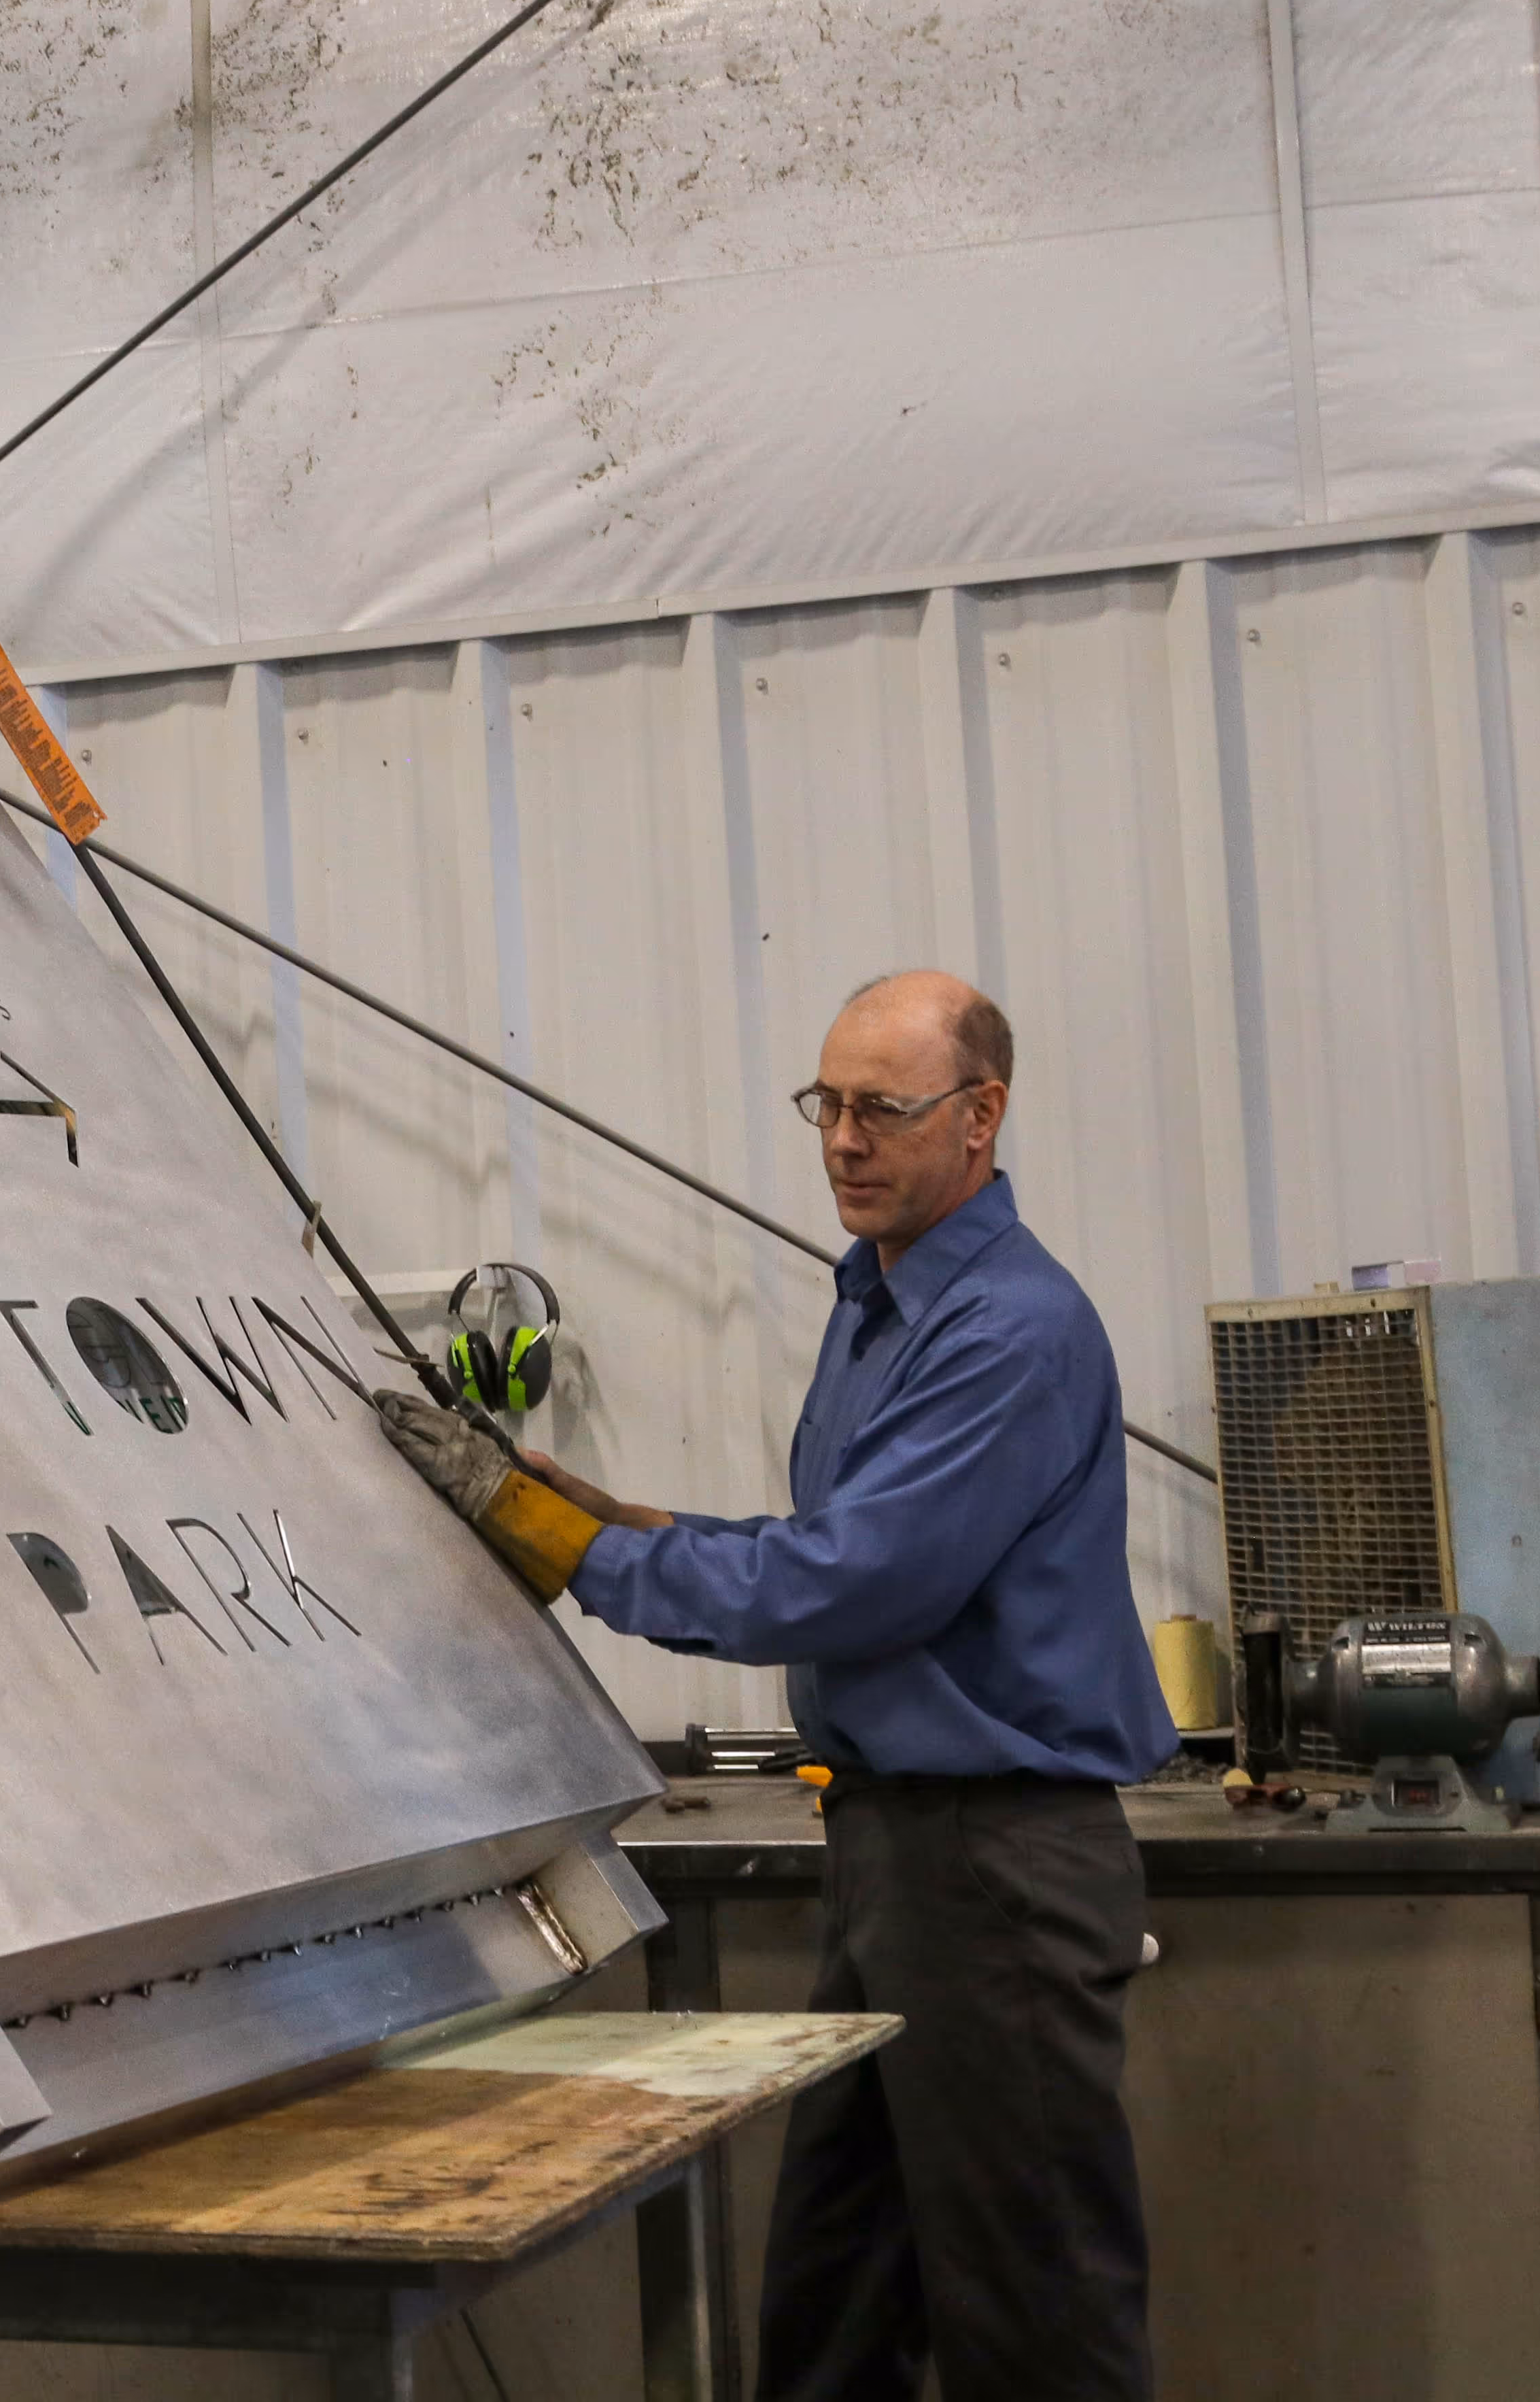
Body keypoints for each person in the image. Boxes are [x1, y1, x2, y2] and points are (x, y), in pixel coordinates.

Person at [379, 970, 1176, 2402]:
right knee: (836, 2298)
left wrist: (566, 1548)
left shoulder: (1006, 1327)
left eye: (885, 1109)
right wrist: (605, 1515)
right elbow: (822, 1542)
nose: (845, 1141)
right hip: (893, 1858)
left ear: (982, 1114)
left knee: (1035, 2323)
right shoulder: (880, 1302)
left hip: (995, 1870)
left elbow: (852, 1584)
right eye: (829, 1105)